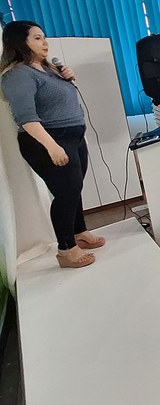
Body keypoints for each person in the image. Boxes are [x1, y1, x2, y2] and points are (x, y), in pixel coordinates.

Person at [0, 21, 103, 268]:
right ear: (19, 42)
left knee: (74, 188)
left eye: (44, 37)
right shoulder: (17, 74)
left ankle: (79, 232)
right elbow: (25, 117)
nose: (44, 43)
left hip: (73, 137)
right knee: (66, 193)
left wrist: (66, 76)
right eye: (37, 38)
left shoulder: (47, 69)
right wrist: (52, 146)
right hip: (49, 140)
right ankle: (66, 249)